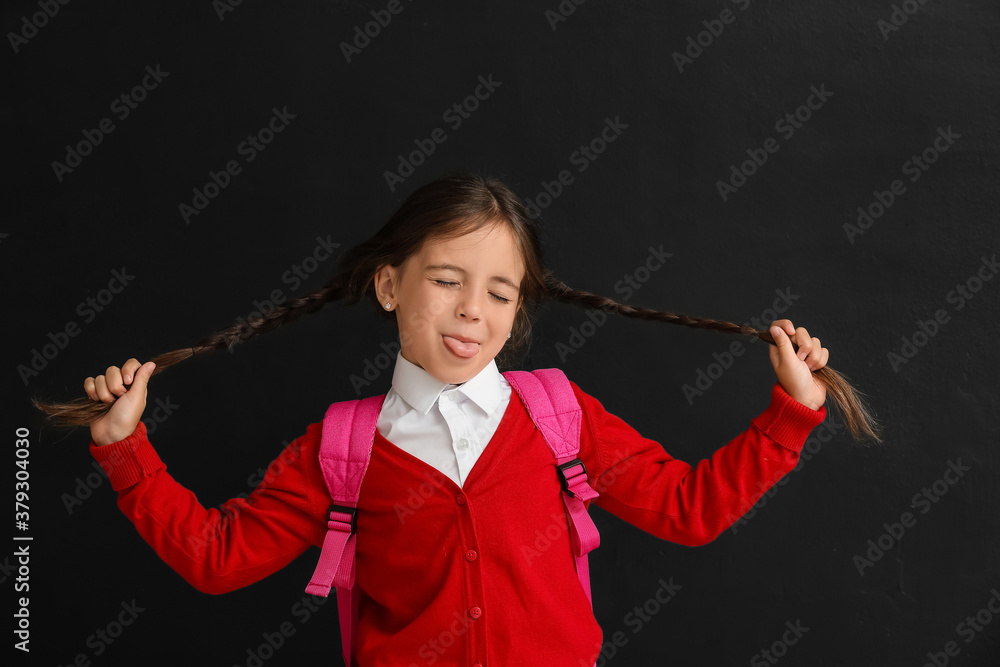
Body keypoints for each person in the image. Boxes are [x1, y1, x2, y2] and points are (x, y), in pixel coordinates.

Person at [34, 171, 878, 666]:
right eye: (446, 279)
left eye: (500, 291)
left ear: (518, 313)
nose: (472, 309)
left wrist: (789, 416)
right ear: (390, 284)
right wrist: (126, 452)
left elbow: (688, 509)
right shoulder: (343, 447)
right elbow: (219, 559)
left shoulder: (559, 415)